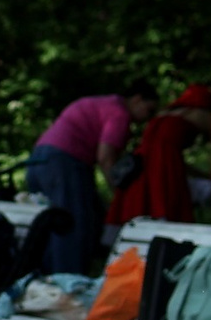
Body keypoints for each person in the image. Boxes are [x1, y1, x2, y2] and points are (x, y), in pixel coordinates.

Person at [26, 88, 154, 273]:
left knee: (52, 223)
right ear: (137, 99)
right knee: (71, 224)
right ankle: (67, 284)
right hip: (64, 162)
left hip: (38, 159)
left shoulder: (102, 103)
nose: (147, 118)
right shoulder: (120, 114)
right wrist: (118, 193)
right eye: (149, 110)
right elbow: (105, 157)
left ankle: (45, 279)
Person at [108, 84, 211, 227]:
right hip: (163, 176)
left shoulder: (162, 115)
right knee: (169, 216)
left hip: (137, 172)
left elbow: (169, 158)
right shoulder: (202, 115)